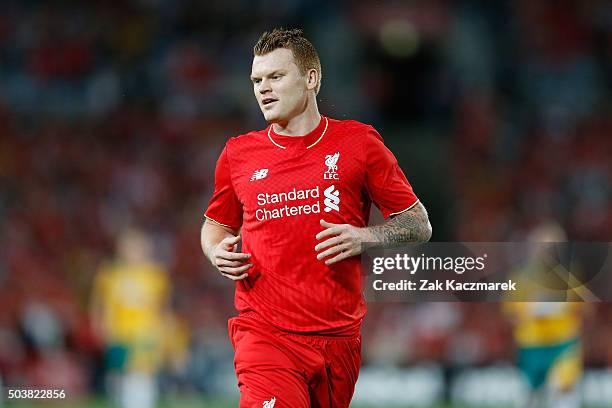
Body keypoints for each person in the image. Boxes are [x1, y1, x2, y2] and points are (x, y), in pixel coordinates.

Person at [201, 28, 432, 408]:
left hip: (339, 338)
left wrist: (365, 237)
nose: (263, 88)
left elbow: (418, 224)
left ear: (311, 79)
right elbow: (216, 224)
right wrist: (215, 251)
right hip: (265, 332)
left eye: (276, 76)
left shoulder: (359, 144)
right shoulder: (238, 154)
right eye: (257, 80)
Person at [504, 223, 589, 408]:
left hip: (563, 342)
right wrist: (532, 311)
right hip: (532, 344)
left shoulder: (571, 277)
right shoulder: (520, 279)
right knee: (530, 396)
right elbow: (511, 314)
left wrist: (562, 309)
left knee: (564, 391)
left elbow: (585, 309)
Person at [90, 228, 171, 408]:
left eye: (139, 248)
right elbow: (101, 304)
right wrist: (100, 325)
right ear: (121, 249)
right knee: (118, 377)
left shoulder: (155, 276)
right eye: (130, 247)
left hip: (145, 332)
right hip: (119, 333)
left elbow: (162, 306)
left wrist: (162, 329)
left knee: (141, 374)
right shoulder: (110, 275)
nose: (135, 252)